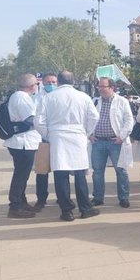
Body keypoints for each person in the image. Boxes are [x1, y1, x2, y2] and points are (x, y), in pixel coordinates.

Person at [35, 70, 100, 222]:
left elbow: (39, 121)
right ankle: (85, 207)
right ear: (73, 81)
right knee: (80, 174)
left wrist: (48, 134)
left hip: (58, 137)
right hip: (77, 136)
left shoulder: (49, 97)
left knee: (60, 174)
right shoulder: (83, 97)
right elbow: (94, 117)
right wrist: (85, 132)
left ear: (58, 81)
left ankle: (66, 211)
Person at [90, 77, 134, 208]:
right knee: (97, 172)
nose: (100, 89)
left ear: (112, 88)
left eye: (103, 86)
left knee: (121, 170)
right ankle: (97, 198)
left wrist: (122, 136)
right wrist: (89, 134)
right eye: (99, 86)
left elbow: (129, 120)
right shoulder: (94, 101)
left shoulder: (122, 101)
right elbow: (87, 119)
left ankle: (123, 198)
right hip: (98, 142)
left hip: (116, 142)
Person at [3, 73, 40, 218]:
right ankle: (15, 206)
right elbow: (29, 119)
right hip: (23, 142)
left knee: (22, 175)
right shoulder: (22, 97)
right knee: (20, 175)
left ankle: (21, 201)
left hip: (22, 142)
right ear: (32, 86)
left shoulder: (18, 96)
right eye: (36, 84)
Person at [33, 72, 57, 211]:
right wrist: (46, 134)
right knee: (42, 171)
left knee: (61, 170)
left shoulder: (60, 97)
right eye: (48, 82)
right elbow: (36, 120)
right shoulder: (36, 99)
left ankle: (61, 197)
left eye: (53, 82)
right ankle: (41, 199)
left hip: (59, 138)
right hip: (43, 139)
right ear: (43, 83)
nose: (51, 85)